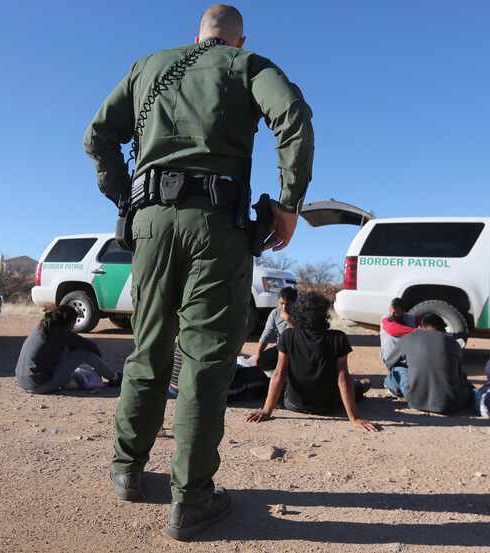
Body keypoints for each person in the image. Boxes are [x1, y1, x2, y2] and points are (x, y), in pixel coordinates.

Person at [83, 4, 314, 541]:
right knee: (207, 360)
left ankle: (127, 470)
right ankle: (191, 500)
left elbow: (97, 135)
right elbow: (292, 118)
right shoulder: (248, 64)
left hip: (150, 226)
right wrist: (288, 202)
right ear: (238, 39)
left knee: (148, 347)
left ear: (197, 36)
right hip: (216, 226)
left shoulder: (149, 65)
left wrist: (126, 196)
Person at [245, 292, 379, 432]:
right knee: (355, 385)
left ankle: (360, 385)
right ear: (324, 314)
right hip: (328, 406)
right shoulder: (338, 338)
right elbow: (343, 378)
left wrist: (266, 411)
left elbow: (279, 373)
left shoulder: (288, 336)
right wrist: (354, 418)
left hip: (294, 404)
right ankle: (361, 386)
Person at [15, 305, 121, 394]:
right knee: (83, 352)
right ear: (68, 321)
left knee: (68, 349)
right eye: (74, 322)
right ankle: (115, 378)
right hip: (39, 386)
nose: (74, 326)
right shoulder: (60, 333)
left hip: (23, 382)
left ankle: (67, 380)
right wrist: (100, 367)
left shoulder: (42, 327)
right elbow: (90, 346)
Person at [382, 314, 473, 414]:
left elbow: (390, 362)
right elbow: (459, 372)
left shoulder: (409, 338)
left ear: (420, 326)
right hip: (451, 403)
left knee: (398, 369)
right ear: (443, 328)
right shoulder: (453, 342)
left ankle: (394, 389)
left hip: (416, 401)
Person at [252, 286, 297, 373]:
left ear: (295, 303)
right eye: (281, 303)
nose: (284, 307)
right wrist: (258, 354)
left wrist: (289, 320)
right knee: (262, 361)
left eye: (288, 304)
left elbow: (302, 335)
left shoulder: (301, 313)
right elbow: (266, 334)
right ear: (278, 302)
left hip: (298, 350)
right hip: (282, 349)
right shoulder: (275, 313)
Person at [380, 297, 418, 397]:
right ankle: (391, 382)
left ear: (403, 311)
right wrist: (416, 332)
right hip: (394, 360)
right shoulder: (386, 318)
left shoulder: (410, 318)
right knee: (404, 384)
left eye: (396, 312)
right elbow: (392, 329)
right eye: (391, 311)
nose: (392, 314)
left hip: (409, 359)